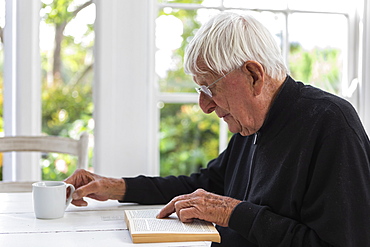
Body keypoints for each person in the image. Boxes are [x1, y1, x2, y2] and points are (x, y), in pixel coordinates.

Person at [65, 12, 370, 246]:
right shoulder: (250, 126)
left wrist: (231, 213)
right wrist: (117, 187)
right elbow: (203, 185)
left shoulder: (331, 123)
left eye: (209, 87)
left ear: (253, 75)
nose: (204, 106)